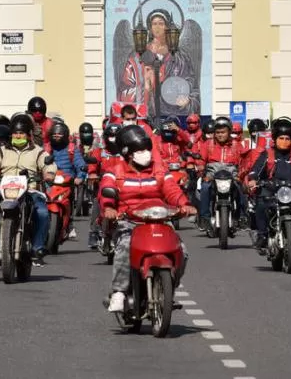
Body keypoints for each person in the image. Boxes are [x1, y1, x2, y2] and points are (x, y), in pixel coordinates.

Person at [101, 125, 197, 312]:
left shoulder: (159, 169)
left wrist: (183, 204)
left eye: (146, 149)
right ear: (128, 153)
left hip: (158, 220)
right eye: (140, 150)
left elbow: (171, 189)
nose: (145, 154)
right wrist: (109, 208)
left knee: (182, 251)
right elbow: (106, 189)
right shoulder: (115, 170)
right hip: (128, 221)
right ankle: (119, 292)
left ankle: (168, 288)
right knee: (124, 248)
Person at [0, 114, 56, 267]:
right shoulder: (2, 151)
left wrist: (49, 173)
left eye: (21, 133)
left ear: (28, 135)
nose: (18, 135)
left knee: (42, 212)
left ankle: (37, 249)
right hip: (4, 191)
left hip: (30, 190)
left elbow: (49, 164)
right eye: (15, 133)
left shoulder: (38, 152)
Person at [246, 117, 291, 251]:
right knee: (260, 204)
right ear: (275, 139)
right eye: (281, 138)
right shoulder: (267, 154)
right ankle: (263, 236)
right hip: (270, 188)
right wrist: (253, 179)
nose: (284, 142)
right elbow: (256, 169)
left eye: (287, 139)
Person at [198, 116, 250, 230]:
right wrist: (200, 168)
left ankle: (242, 217)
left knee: (241, 189)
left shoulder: (237, 145)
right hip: (212, 174)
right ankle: (204, 218)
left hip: (231, 174)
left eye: (223, 132)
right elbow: (201, 159)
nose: (220, 135)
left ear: (229, 132)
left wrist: (240, 175)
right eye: (217, 132)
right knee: (205, 188)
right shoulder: (208, 144)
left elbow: (244, 163)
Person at [45, 122, 86, 239]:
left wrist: (81, 175)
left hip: (66, 183)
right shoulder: (46, 148)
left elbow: (80, 163)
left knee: (70, 199)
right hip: (49, 182)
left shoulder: (72, 149)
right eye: (54, 134)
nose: (56, 136)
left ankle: (69, 222)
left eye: (59, 134)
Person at [89, 123, 125, 250]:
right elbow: (93, 165)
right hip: (103, 185)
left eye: (116, 136)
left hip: (123, 186)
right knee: (97, 204)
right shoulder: (100, 151)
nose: (113, 139)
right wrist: (92, 173)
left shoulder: (126, 152)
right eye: (111, 136)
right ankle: (93, 232)